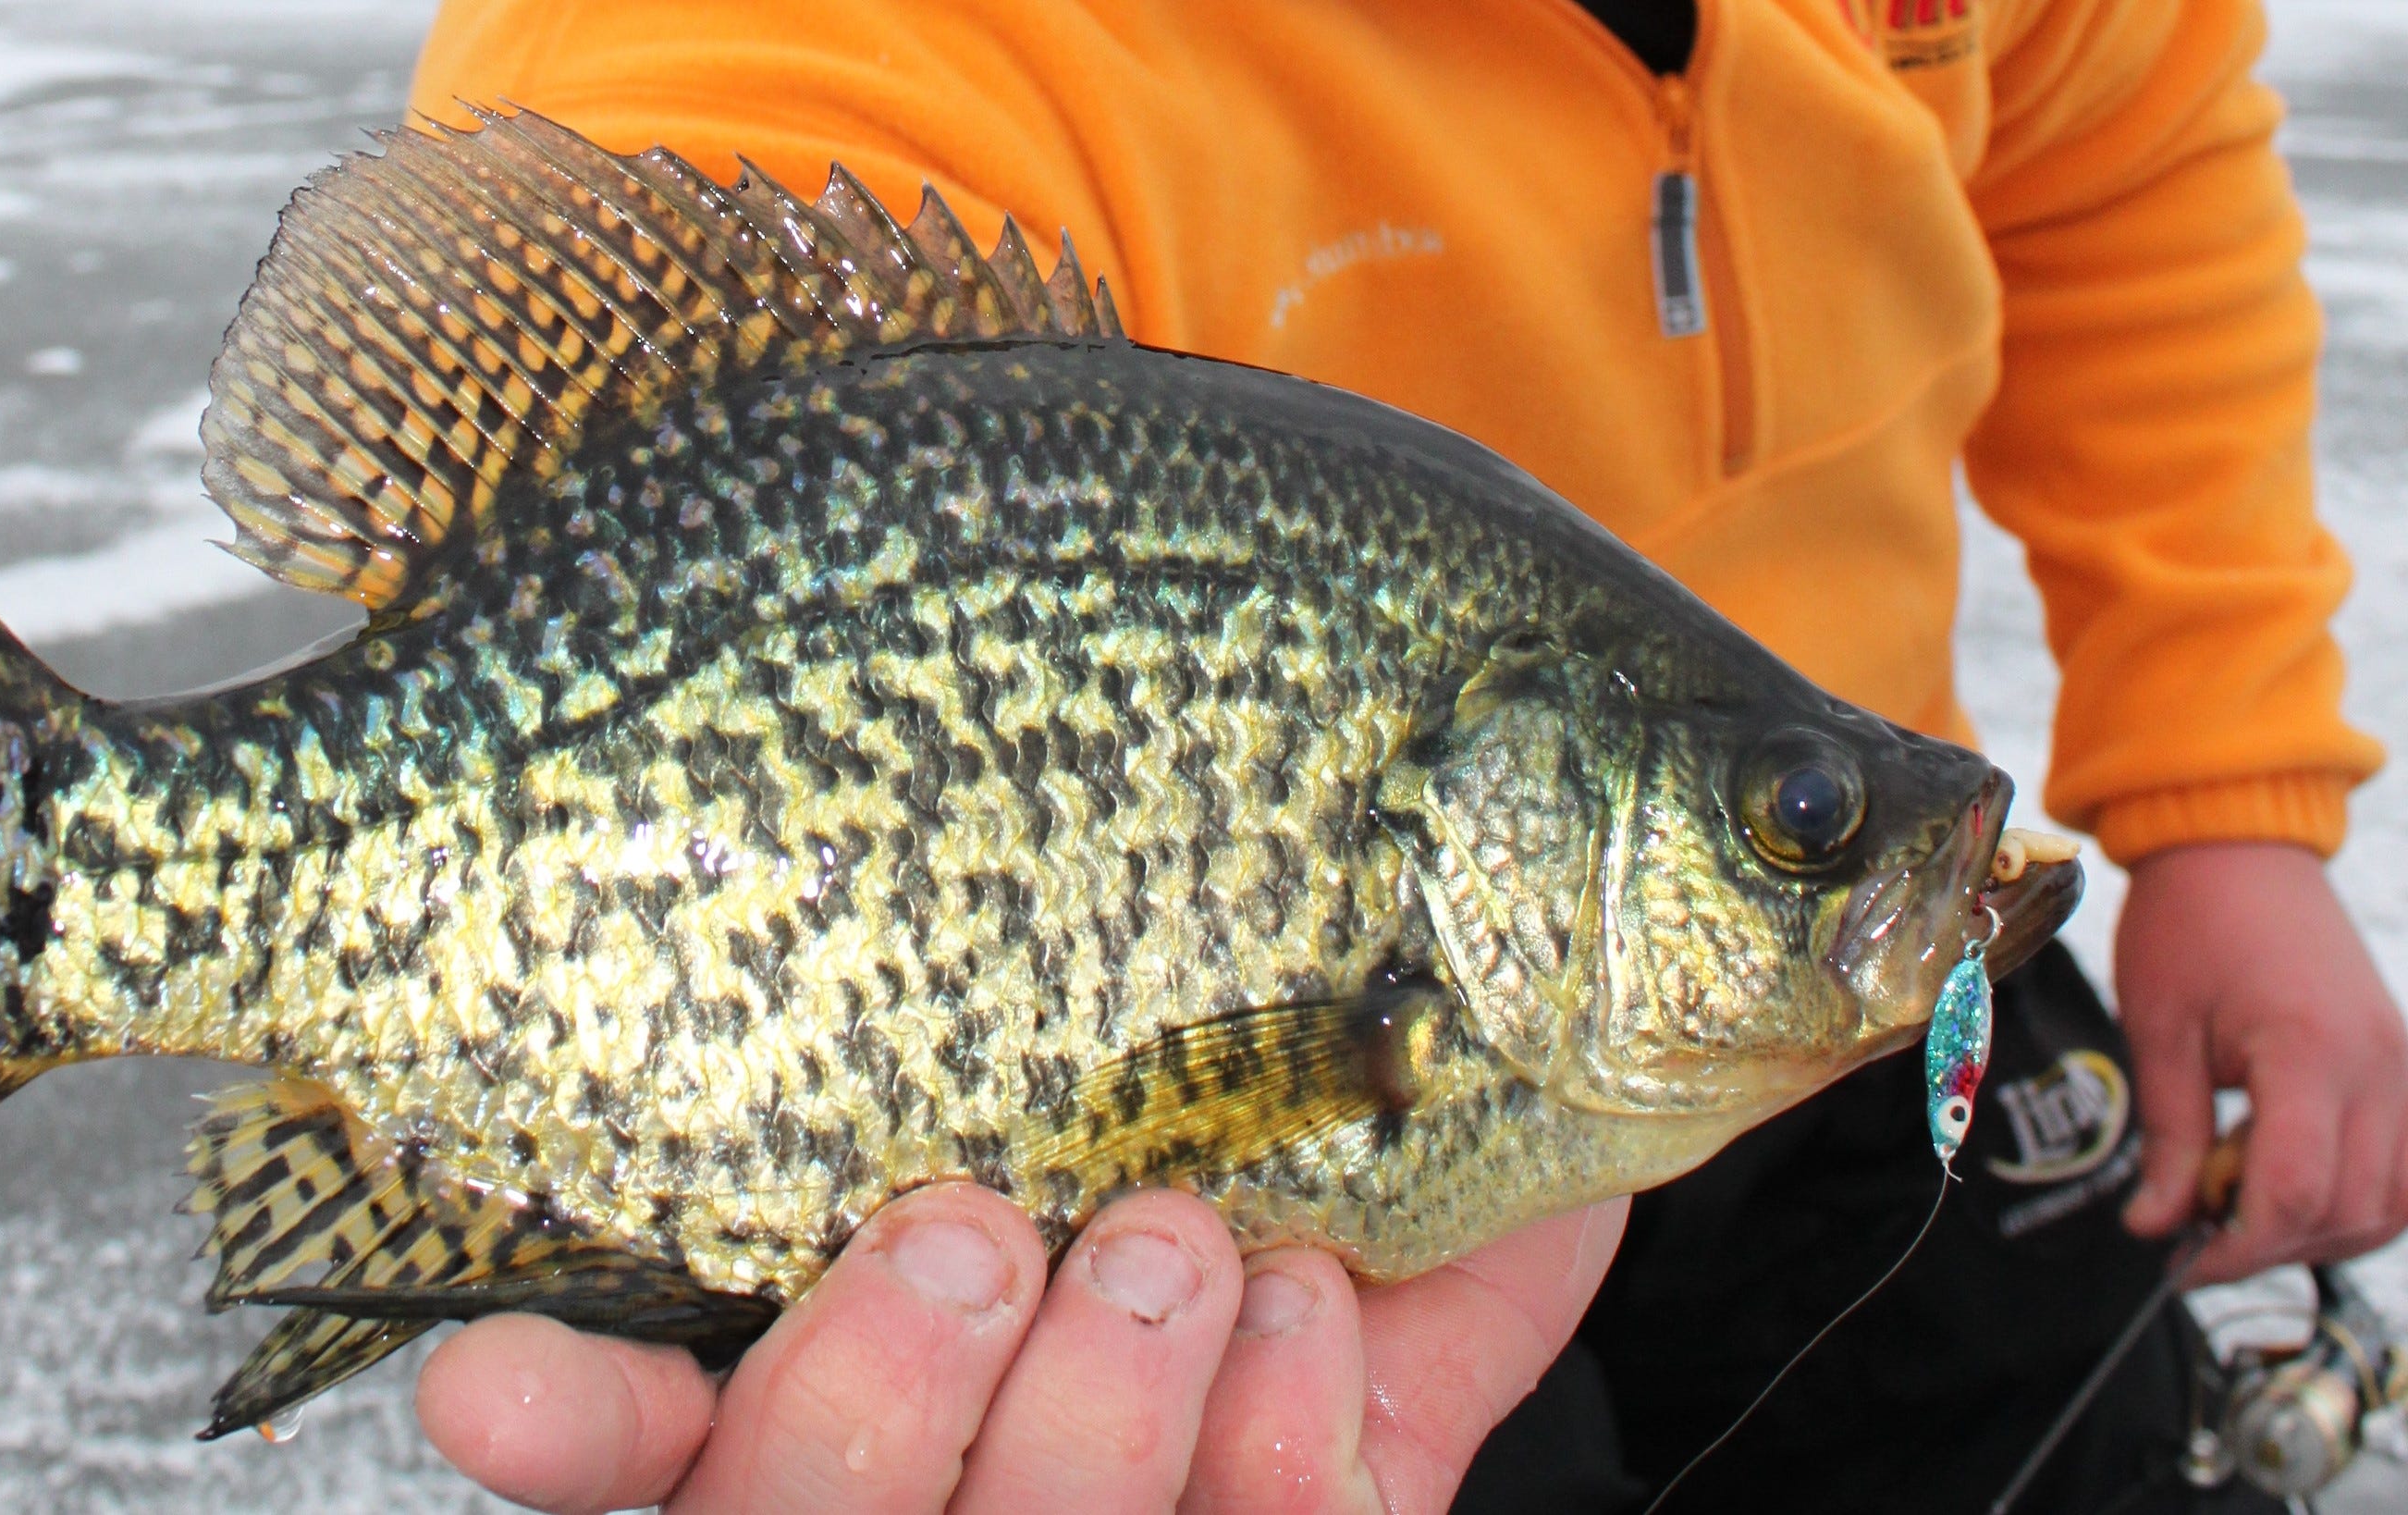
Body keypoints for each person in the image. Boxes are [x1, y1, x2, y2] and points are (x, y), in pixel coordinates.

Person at [389, 0, 2408, 1509]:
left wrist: (2232, 802)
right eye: (1803, 825)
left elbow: (2121, 169)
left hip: (1782, 1000)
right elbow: (723, 140)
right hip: (1301, 1179)